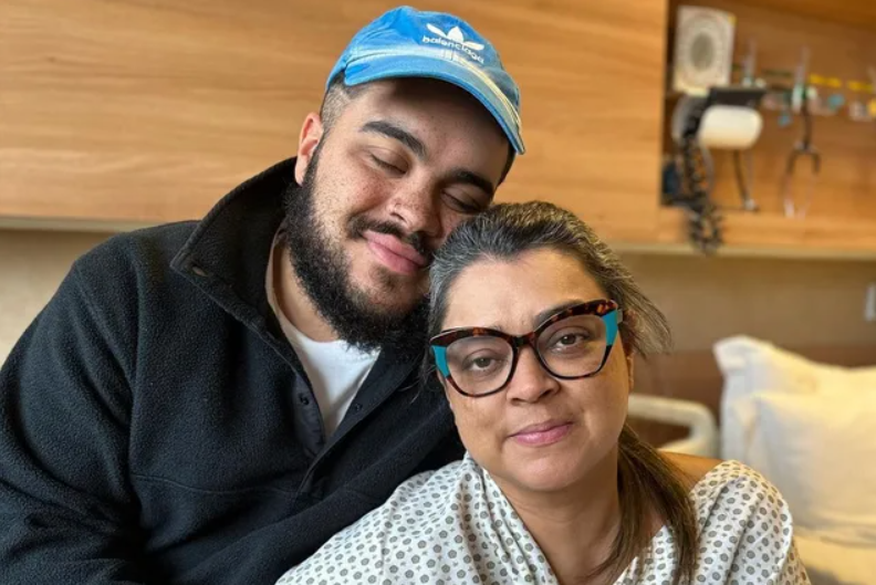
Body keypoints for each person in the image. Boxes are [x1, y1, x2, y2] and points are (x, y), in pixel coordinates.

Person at [0, 7, 524, 584]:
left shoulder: (481, 362)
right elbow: (30, 530)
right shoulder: (130, 292)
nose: (416, 214)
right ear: (310, 148)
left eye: (462, 199)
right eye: (385, 160)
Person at [277, 201, 811, 585]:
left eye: (568, 339)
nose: (531, 386)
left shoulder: (732, 522)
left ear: (625, 351)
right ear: (450, 390)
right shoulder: (397, 559)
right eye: (483, 359)